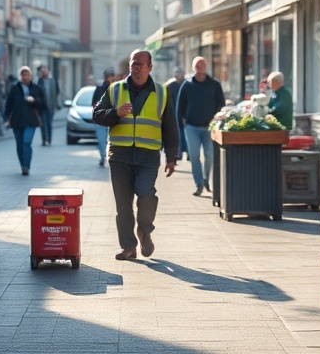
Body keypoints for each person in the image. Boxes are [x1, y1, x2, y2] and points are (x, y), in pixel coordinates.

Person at [92, 49, 178, 260]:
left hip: (148, 155)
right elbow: (96, 115)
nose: (136, 68)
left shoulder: (162, 93)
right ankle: (128, 247)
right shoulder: (114, 89)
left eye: (140, 65)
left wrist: (172, 157)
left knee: (146, 194)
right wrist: (115, 113)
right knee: (123, 205)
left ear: (150, 67)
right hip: (119, 155)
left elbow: (170, 127)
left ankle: (144, 231)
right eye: (133, 64)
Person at [176, 56, 226, 197]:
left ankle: (205, 180)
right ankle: (198, 184)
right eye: (197, 65)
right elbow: (180, 106)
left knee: (209, 155)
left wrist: (217, 119)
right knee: (194, 156)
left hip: (210, 127)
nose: (200, 68)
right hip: (192, 127)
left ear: (206, 67)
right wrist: (183, 121)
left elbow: (221, 104)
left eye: (202, 65)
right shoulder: (187, 85)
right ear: (193, 68)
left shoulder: (214, 85)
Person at [4, 65, 44, 175]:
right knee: (19, 144)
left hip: (31, 121)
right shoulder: (15, 88)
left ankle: (26, 166)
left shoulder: (36, 88)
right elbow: (9, 103)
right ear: (20, 76)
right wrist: (6, 116)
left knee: (26, 142)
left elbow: (42, 103)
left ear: (30, 76)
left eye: (27, 75)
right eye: (23, 75)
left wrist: (34, 100)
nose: (25, 77)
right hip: (17, 121)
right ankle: (22, 165)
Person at [91, 67, 116, 167]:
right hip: (101, 119)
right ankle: (103, 156)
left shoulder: (118, 89)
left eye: (112, 76)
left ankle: (109, 156)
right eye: (109, 76)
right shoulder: (100, 89)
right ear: (105, 77)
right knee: (101, 140)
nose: (111, 78)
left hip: (113, 119)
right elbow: (94, 104)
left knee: (111, 140)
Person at [164, 66, 187, 160]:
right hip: (173, 115)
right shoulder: (170, 86)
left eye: (180, 72)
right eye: (176, 72)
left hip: (186, 115)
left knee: (186, 135)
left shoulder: (187, 85)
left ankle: (189, 154)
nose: (178, 74)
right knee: (176, 135)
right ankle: (178, 154)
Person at [36, 65, 60, 145]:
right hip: (41, 107)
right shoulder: (39, 81)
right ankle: (44, 140)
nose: (44, 73)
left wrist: (55, 104)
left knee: (49, 123)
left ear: (48, 72)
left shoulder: (52, 81)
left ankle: (49, 139)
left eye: (45, 71)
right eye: (42, 72)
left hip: (50, 106)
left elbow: (57, 92)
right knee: (42, 123)